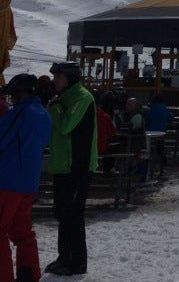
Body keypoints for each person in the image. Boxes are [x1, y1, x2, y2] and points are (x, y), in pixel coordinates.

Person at [46, 61, 98, 277]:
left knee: (73, 215)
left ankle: (77, 263)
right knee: (62, 213)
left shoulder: (82, 97)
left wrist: (56, 108)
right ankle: (64, 257)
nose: (54, 81)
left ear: (69, 77)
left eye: (58, 77)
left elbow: (66, 125)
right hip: (62, 166)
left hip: (78, 167)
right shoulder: (65, 97)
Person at [0, 74, 52, 282]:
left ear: (21, 93)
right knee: (22, 232)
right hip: (29, 182)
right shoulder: (43, 114)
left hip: (7, 181)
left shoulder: (21, 113)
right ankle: (28, 274)